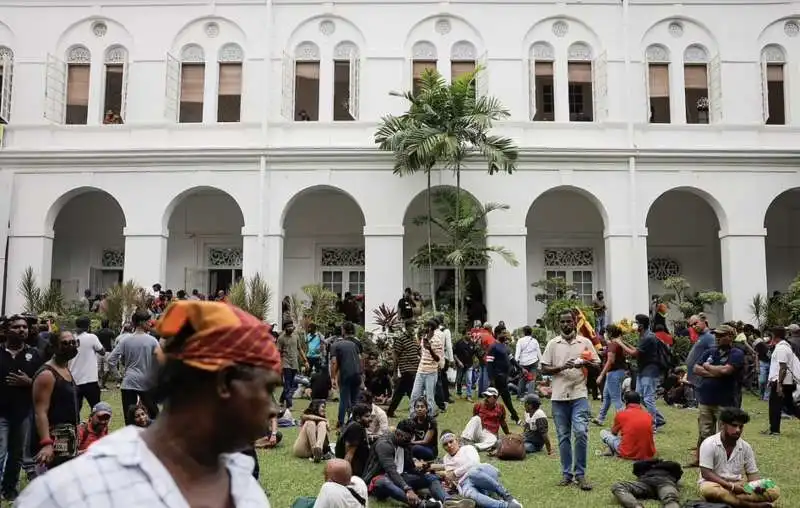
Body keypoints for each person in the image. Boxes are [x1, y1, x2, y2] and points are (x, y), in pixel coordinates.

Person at [18, 300, 282, 507]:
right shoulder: (74, 494)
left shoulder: (246, 491)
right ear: (225, 383)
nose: (274, 409)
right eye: (267, 389)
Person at [540, 310, 600, 490]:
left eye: (568, 321)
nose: (566, 325)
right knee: (563, 436)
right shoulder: (553, 344)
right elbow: (543, 368)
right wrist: (559, 368)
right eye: (562, 322)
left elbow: (597, 364)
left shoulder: (585, 342)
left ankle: (580, 474)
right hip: (558, 397)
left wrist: (586, 363)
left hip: (579, 395)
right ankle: (567, 474)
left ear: (575, 322)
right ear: (559, 324)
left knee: (580, 432)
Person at [698, 407, 781, 508]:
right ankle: (751, 506)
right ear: (722, 425)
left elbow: (753, 476)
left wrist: (757, 486)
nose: (738, 430)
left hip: (739, 486)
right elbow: (706, 474)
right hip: (715, 484)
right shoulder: (709, 443)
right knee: (709, 490)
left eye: (741, 427)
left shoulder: (745, 447)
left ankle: (726, 501)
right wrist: (731, 487)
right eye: (734, 425)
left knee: (773, 489)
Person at [0, 315, 42, 501]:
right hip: (1, 413)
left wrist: (29, 382)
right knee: (0, 453)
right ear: (6, 330)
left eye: (24, 327)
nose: (22, 330)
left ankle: (10, 491)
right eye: (17, 327)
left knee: (17, 454)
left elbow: (44, 383)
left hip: (23, 413)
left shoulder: (34, 355)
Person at [362, 419, 449, 508]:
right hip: (380, 480)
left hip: (400, 478)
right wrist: (407, 489)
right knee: (383, 481)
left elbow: (409, 468)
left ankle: (448, 501)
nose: (408, 441)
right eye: (406, 438)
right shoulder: (384, 445)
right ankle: (422, 504)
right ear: (398, 433)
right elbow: (391, 471)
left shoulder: (405, 444)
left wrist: (422, 470)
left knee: (431, 478)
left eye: (410, 438)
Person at [690, 324, 744, 467]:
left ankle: (723, 461)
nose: (717, 338)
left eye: (721, 335)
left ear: (730, 337)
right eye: (716, 335)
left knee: (724, 433)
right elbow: (696, 368)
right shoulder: (710, 351)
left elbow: (726, 371)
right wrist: (715, 372)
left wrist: (707, 367)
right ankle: (701, 459)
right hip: (706, 398)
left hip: (725, 400)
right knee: (704, 432)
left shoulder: (736, 353)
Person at [433, 431, 522, 508]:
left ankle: (507, 496)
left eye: (451, 441)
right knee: (468, 493)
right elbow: (451, 477)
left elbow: (474, 463)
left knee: (472, 472)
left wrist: (455, 473)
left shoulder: (468, 448)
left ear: (457, 440)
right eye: (445, 444)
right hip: (464, 483)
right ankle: (505, 506)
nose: (449, 445)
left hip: (482, 473)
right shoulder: (446, 459)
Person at [31, 331, 80, 470]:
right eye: (65, 343)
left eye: (73, 342)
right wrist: (46, 443)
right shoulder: (47, 374)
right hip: (54, 440)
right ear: (54, 347)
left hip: (68, 438)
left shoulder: (64, 368)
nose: (71, 346)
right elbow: (40, 412)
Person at [613, 314, 666, 430]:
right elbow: (637, 350)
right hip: (643, 371)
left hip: (650, 371)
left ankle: (652, 425)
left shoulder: (648, 337)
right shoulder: (643, 336)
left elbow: (634, 354)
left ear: (641, 325)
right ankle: (659, 419)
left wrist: (620, 343)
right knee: (639, 397)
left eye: (636, 322)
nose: (634, 324)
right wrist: (624, 342)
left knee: (648, 398)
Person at [108, 310, 161, 425]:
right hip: (146, 382)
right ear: (141, 323)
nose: (150, 324)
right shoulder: (152, 341)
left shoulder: (125, 340)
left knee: (130, 418)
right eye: (148, 321)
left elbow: (111, 360)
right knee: (155, 415)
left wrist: (118, 376)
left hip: (129, 382)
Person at [599, 391, 656, 460]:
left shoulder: (621, 414)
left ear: (626, 401)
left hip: (628, 452)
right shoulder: (648, 415)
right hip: (648, 453)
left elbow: (614, 433)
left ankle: (611, 449)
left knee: (603, 432)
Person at [763, 331, 800, 435]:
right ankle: (773, 429)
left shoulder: (781, 348)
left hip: (781, 381)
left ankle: (774, 430)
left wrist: (779, 384)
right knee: (790, 405)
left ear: (775, 336)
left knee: (774, 405)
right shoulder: (784, 346)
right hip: (785, 381)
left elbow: (782, 368)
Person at [330, 322, 364, 428]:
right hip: (357, 374)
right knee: (355, 400)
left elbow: (334, 362)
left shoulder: (335, 345)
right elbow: (360, 359)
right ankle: (354, 421)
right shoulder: (354, 344)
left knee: (344, 400)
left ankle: (340, 422)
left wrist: (332, 377)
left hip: (345, 374)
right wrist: (361, 374)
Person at [610, 459, 682, 508]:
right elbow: (637, 465)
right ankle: (636, 506)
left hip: (664, 483)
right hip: (645, 484)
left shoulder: (671, 469)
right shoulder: (645, 468)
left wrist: (658, 463)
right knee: (618, 485)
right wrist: (654, 461)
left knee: (670, 498)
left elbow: (676, 466)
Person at [69, 317, 105, 413]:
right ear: (88, 326)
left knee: (75, 410)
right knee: (96, 408)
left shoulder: (71, 338)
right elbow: (102, 352)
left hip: (74, 379)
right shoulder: (92, 337)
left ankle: (75, 427)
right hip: (90, 380)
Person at [593, 324, 627, 426]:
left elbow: (610, 361)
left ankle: (625, 421)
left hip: (613, 373)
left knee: (616, 399)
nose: (604, 334)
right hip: (618, 372)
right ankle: (600, 418)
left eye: (605, 332)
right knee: (607, 396)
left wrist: (601, 375)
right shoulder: (617, 343)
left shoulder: (613, 344)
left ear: (610, 333)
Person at [409, 320, 444, 418]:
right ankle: (412, 416)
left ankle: (430, 417)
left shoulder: (437, 341)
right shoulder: (424, 338)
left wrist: (430, 349)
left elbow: (438, 359)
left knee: (429, 398)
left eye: (426, 327)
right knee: (414, 396)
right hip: (420, 371)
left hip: (431, 373)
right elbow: (423, 353)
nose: (424, 328)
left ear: (430, 328)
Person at [387, 320, 422, 418]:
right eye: (411, 327)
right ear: (407, 327)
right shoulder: (401, 339)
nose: (413, 329)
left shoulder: (414, 339)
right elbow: (395, 355)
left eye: (414, 327)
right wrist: (395, 371)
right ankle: (417, 411)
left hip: (415, 369)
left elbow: (419, 351)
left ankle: (390, 411)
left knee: (401, 391)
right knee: (412, 392)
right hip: (406, 369)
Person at [486, 332, 520, 423]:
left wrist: (521, 368)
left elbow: (512, 360)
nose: (505, 335)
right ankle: (516, 417)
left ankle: (515, 416)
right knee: (501, 399)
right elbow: (489, 364)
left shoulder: (505, 347)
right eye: (502, 332)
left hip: (504, 378)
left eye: (505, 333)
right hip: (497, 378)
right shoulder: (493, 347)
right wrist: (491, 379)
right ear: (497, 334)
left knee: (503, 398)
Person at [277, 320, 308, 411]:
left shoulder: (296, 336)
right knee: (287, 384)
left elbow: (300, 349)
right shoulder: (281, 338)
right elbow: (278, 352)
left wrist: (305, 361)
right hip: (285, 363)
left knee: (291, 385)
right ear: (285, 328)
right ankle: (289, 405)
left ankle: (281, 400)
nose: (291, 328)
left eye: (292, 326)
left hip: (295, 363)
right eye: (289, 326)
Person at [335, 403, 371, 477]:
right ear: (358, 418)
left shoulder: (354, 425)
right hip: (355, 472)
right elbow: (349, 454)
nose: (370, 419)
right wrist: (345, 476)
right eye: (367, 416)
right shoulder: (356, 428)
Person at [513, 326, 541, 400]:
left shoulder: (520, 341)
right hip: (533, 362)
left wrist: (516, 364)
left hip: (523, 363)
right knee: (532, 379)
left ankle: (520, 396)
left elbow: (517, 353)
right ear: (531, 332)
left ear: (524, 332)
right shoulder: (535, 341)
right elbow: (539, 353)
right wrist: (540, 363)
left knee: (522, 379)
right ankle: (530, 397)